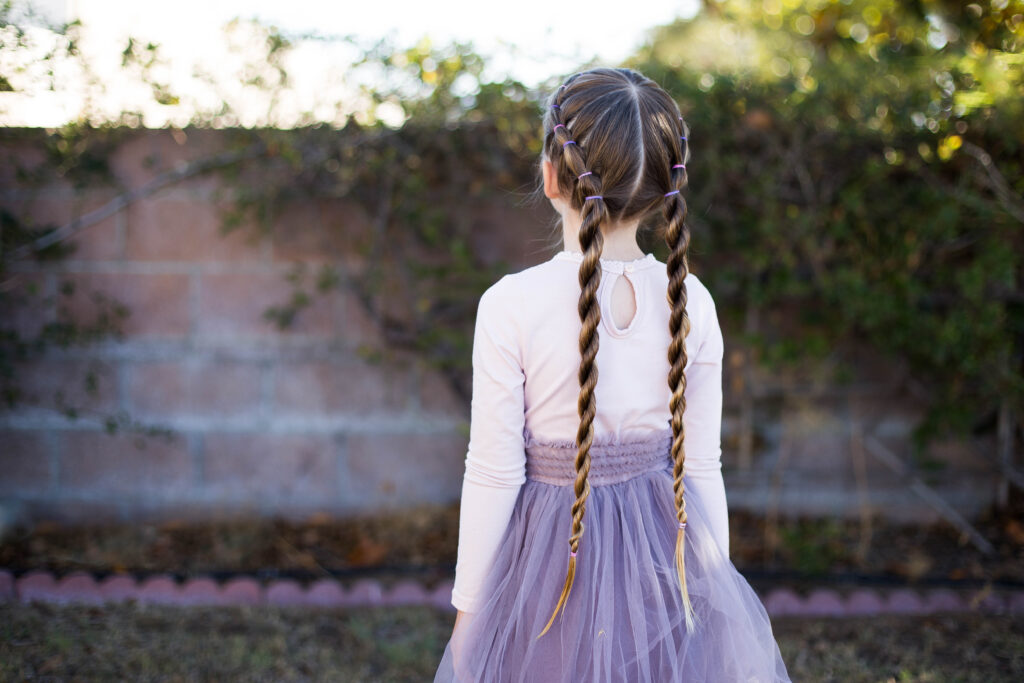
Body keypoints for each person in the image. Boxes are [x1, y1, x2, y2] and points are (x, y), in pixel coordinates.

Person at [433, 67, 791, 682]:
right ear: (661, 190)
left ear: (551, 176)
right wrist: (713, 591)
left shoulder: (511, 305)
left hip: (549, 564)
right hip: (664, 558)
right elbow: (701, 466)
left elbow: (493, 473)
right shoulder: (692, 300)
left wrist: (470, 616)